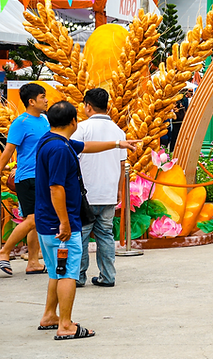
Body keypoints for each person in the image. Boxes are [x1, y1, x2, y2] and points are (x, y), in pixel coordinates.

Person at [34, 101, 136, 339]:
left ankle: (50, 316)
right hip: (60, 223)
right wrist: (65, 222)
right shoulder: (60, 149)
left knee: (55, 271)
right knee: (68, 273)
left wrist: (117, 144)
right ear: (73, 121)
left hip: (46, 220)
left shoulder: (52, 141)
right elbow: (56, 188)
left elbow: (86, 146)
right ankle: (65, 325)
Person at [72, 88, 126, 288]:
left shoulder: (81, 129)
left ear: (88, 106)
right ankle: (108, 276)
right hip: (109, 192)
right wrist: (119, 190)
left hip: (85, 193)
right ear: (107, 106)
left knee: (81, 235)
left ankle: (78, 276)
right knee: (106, 235)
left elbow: (73, 159)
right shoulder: (118, 131)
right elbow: (122, 165)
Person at [0, 83, 51, 276]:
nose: (46, 100)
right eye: (42, 97)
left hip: (43, 177)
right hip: (28, 178)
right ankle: (4, 252)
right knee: (33, 219)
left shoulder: (45, 120)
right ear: (31, 101)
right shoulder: (20, 123)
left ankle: (33, 262)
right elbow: (7, 152)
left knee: (34, 222)